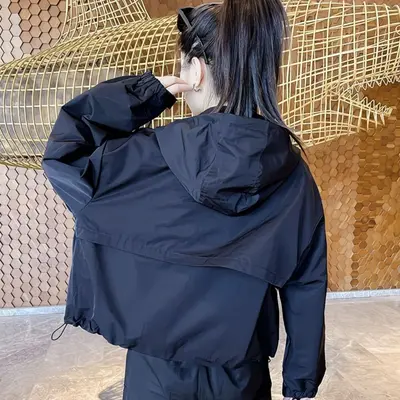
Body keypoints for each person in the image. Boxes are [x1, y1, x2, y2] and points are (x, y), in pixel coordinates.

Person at [43, 0, 327, 399]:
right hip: (241, 377)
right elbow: (306, 283)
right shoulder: (294, 177)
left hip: (154, 376)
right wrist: (300, 381)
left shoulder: (141, 160)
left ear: (197, 70)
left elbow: (65, 152)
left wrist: (144, 94)